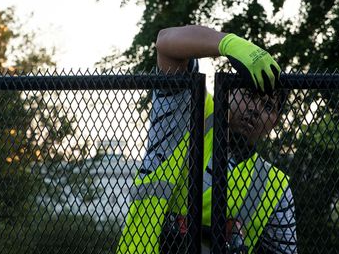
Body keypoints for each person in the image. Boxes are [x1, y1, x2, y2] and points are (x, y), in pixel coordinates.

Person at [117, 25, 297, 254]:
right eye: (249, 95)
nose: (254, 109)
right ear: (228, 92)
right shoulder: (189, 113)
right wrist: (230, 44)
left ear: (275, 123)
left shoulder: (276, 187)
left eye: (268, 106)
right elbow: (165, 43)